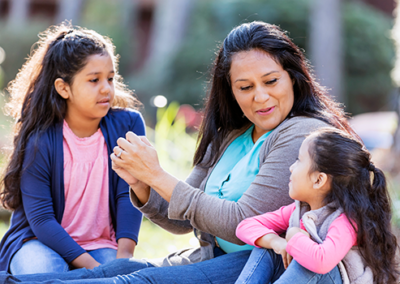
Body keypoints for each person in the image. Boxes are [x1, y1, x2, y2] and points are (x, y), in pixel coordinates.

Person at [3, 21, 355, 283]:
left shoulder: (304, 134)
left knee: (129, 280)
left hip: (259, 262)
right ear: (230, 91)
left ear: (292, 77)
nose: (260, 97)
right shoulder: (232, 135)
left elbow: (241, 223)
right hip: (207, 256)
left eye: (271, 81)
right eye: (245, 87)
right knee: (123, 269)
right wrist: (141, 184)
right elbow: (181, 219)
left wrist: (158, 175)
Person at [0, 23, 145, 275]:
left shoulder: (129, 125)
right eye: (94, 80)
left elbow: (128, 195)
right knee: (46, 271)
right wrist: (95, 270)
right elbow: (42, 221)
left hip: (100, 244)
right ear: (63, 88)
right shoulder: (39, 140)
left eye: (110, 78)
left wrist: (123, 260)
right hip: (38, 243)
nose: (106, 88)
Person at [234, 128, 399, 284]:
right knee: (266, 248)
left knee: (307, 262)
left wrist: (292, 235)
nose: (291, 168)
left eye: (298, 160)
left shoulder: (347, 221)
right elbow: (246, 225)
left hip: (334, 278)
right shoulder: (298, 210)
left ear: (319, 180)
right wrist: (277, 242)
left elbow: (322, 262)